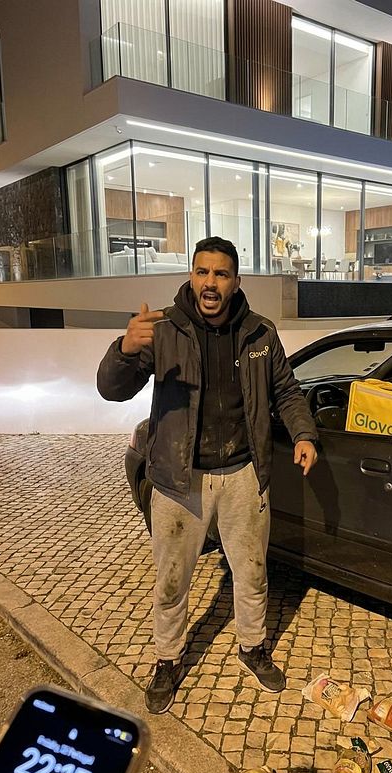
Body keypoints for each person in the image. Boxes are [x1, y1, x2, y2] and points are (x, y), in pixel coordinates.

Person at [97, 236, 318, 714]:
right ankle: (168, 659)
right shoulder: (164, 329)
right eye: (202, 272)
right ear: (191, 277)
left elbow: (287, 390)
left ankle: (253, 646)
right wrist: (123, 349)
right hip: (180, 479)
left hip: (243, 472)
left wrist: (304, 434)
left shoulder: (260, 333)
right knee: (173, 579)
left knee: (252, 573)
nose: (210, 282)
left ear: (236, 282)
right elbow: (111, 390)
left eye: (221, 274)